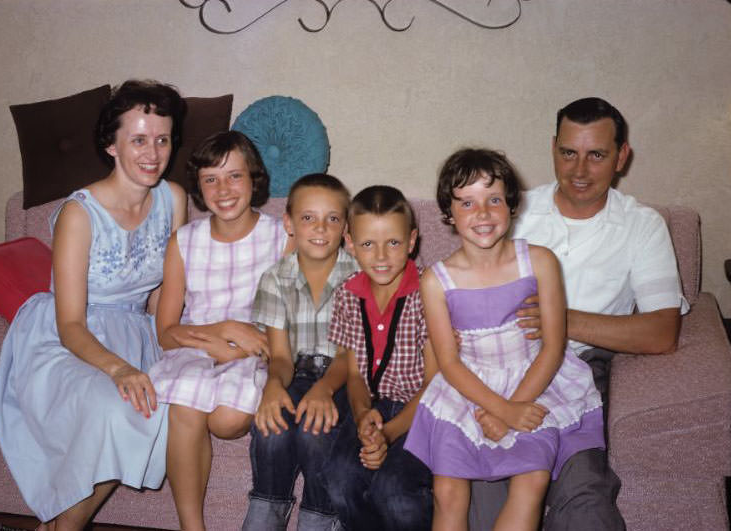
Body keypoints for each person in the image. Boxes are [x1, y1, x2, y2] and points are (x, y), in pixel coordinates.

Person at [470, 97, 689, 531]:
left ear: (622, 156)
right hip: (503, 366)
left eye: (597, 155)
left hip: (581, 368)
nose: (579, 170)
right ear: (553, 147)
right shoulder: (512, 211)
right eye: (568, 153)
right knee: (487, 490)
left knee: (587, 500)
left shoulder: (642, 226)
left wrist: (561, 319)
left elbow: (662, 332)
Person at [0, 79, 188, 530]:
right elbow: (70, 322)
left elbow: (164, 297)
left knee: (163, 405)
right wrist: (119, 368)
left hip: (137, 332)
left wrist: (174, 350)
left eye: (162, 139)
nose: (153, 153)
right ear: (111, 145)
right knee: (117, 406)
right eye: (138, 139)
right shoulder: (79, 213)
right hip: (67, 340)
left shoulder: (173, 199)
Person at [404, 148, 604, 531]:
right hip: (468, 388)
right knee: (448, 490)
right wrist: (499, 409)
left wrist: (512, 409)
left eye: (494, 199)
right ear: (448, 212)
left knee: (532, 477)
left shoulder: (540, 261)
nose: (482, 213)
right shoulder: (435, 281)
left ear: (511, 206)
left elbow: (553, 345)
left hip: (534, 382)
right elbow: (448, 362)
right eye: (467, 202)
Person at [148, 130, 291, 531]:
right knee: (188, 401)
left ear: (254, 180)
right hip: (195, 344)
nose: (223, 189)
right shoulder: (185, 241)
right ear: (199, 187)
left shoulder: (280, 237)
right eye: (211, 179)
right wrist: (223, 331)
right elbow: (166, 331)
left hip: (255, 350)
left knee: (227, 420)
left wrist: (244, 343)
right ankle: (191, 526)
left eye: (234, 176)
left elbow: (287, 321)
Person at [242, 173, 358, 531]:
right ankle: (265, 516)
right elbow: (280, 356)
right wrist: (273, 386)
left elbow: (350, 356)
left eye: (332, 218)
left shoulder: (358, 278)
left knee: (315, 430)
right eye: (308, 217)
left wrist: (324, 390)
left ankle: (321, 519)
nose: (320, 227)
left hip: (346, 377)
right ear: (289, 223)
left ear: (345, 229)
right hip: (295, 368)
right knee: (271, 428)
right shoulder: (275, 279)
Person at [323, 185, 438, 531]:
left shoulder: (428, 291)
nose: (382, 256)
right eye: (368, 244)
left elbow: (436, 384)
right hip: (371, 406)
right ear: (350, 243)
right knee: (340, 479)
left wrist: (388, 433)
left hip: (422, 410)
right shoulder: (347, 293)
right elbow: (355, 376)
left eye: (394, 242)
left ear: (412, 240)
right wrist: (362, 419)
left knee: (394, 492)